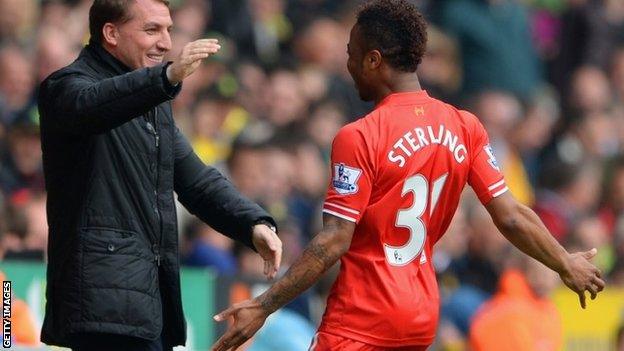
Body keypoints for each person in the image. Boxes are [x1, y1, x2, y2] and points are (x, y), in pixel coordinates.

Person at [211, 1, 605, 350]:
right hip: (419, 315)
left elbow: (333, 241)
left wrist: (263, 306)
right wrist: (564, 262)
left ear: (373, 60)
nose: (346, 65)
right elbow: (511, 215)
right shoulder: (464, 126)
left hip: (362, 318)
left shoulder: (359, 135)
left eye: (352, 54)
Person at [37, 0, 282, 350]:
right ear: (111, 33)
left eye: (168, 30)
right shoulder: (65, 87)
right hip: (101, 304)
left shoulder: (152, 103)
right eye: (152, 30)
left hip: (146, 303)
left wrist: (253, 223)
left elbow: (196, 180)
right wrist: (164, 78)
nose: (166, 43)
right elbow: (93, 105)